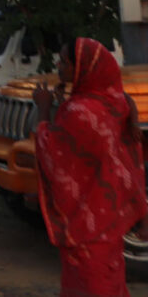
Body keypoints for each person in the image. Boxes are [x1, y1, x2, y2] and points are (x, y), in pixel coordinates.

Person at [32, 37, 147, 297]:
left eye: (65, 62)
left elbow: (51, 150)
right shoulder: (115, 103)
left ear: (84, 67)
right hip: (108, 222)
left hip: (85, 227)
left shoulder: (80, 111)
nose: (59, 66)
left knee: (90, 286)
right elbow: (124, 160)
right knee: (110, 282)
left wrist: (43, 108)